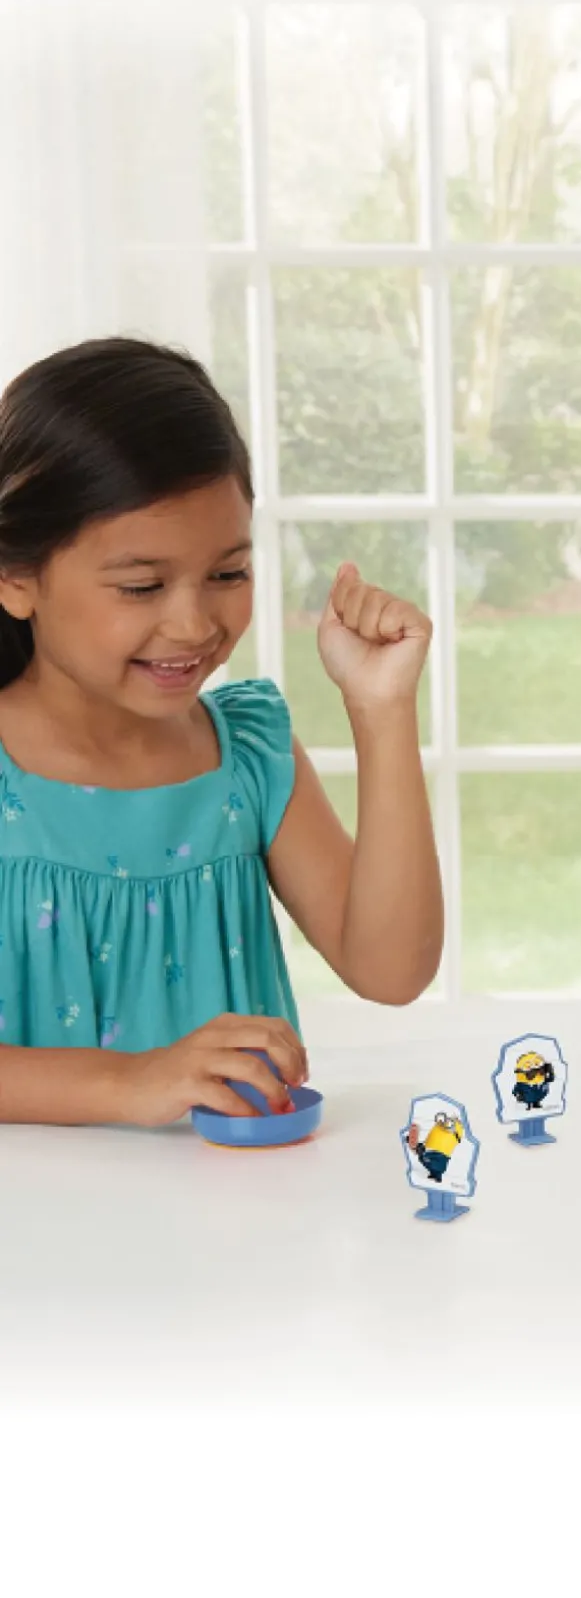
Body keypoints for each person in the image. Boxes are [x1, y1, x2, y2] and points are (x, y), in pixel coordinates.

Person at [0, 338, 443, 1126]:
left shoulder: (246, 754)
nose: (195, 623)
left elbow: (391, 969)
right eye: (142, 585)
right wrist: (130, 1083)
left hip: (232, 1197)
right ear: (14, 577)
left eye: (228, 573)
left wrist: (382, 711)